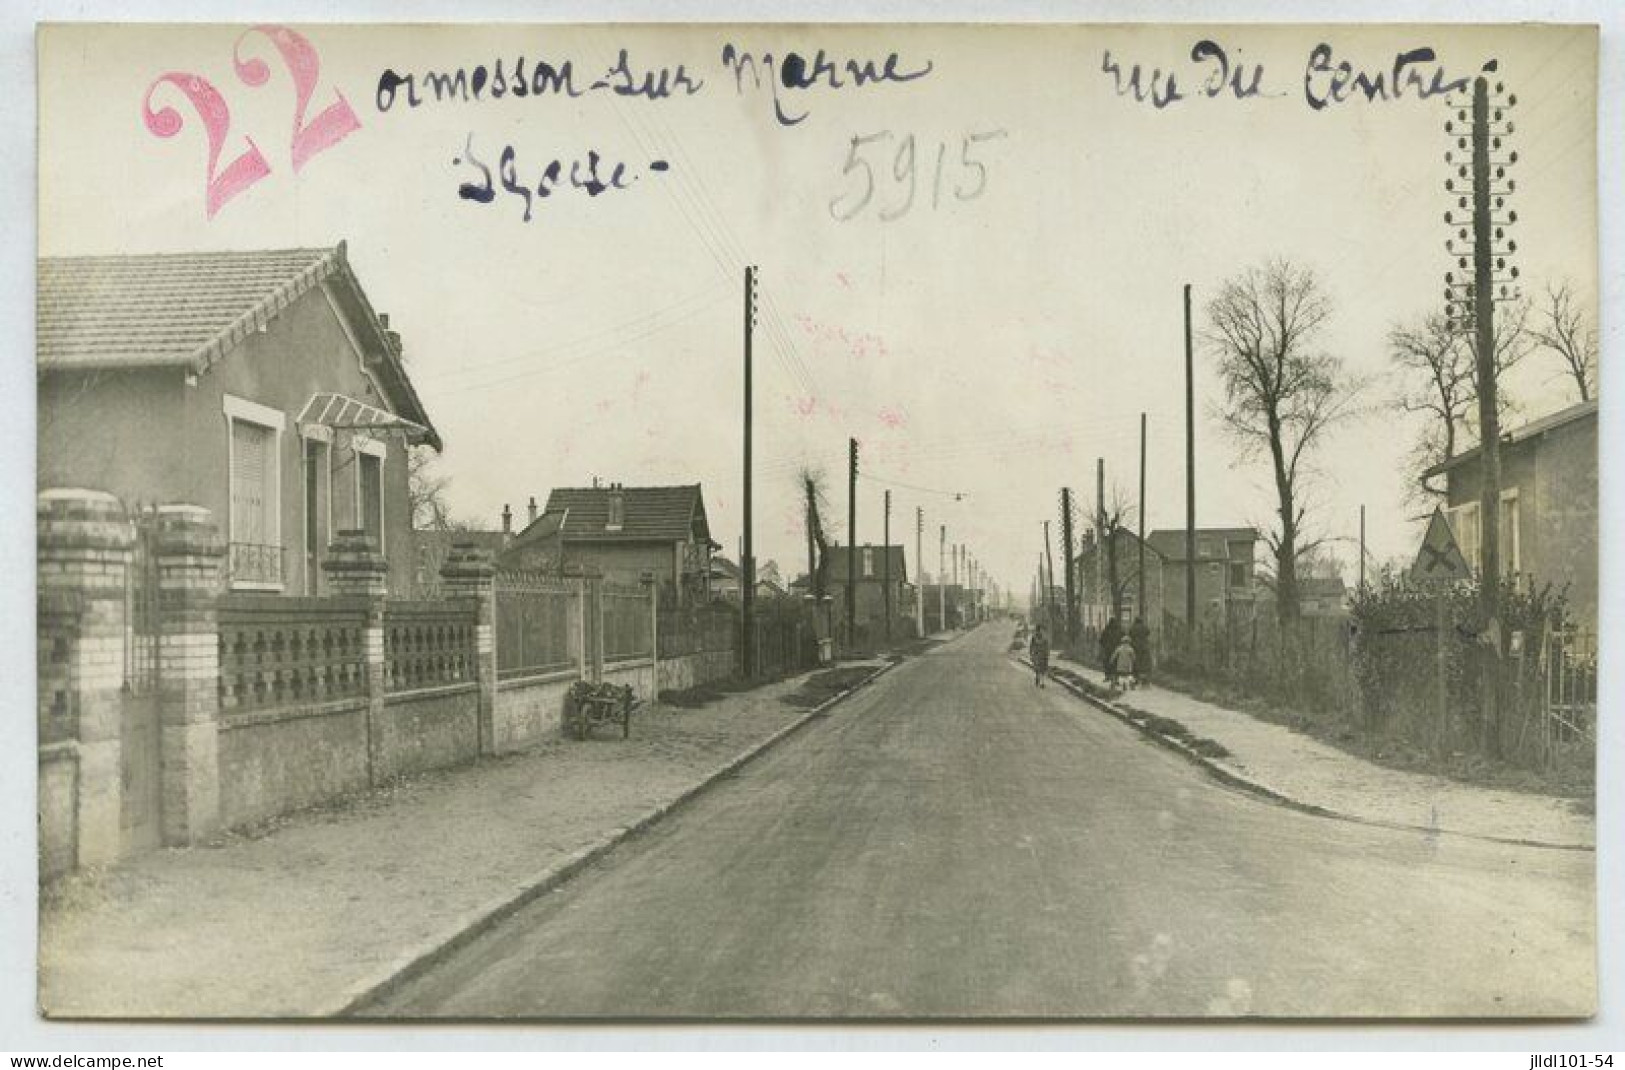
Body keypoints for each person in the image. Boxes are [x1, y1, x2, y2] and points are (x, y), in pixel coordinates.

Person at [1129, 616, 1152, 686]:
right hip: (1144, 647)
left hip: (1135, 646)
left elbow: (1130, 634)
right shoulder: (1144, 627)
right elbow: (1148, 632)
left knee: (1135, 662)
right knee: (1144, 663)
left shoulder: (1133, 627)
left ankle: (1136, 678)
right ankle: (1144, 679)